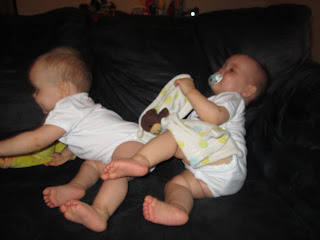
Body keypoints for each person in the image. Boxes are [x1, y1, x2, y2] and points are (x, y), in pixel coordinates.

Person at [102, 54, 269, 226]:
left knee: (175, 135)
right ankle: (178, 208)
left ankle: (139, 160)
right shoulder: (215, 101)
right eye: (223, 66)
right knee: (177, 185)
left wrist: (190, 91)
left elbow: (214, 117)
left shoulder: (232, 98)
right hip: (219, 178)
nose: (221, 71)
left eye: (231, 70)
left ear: (248, 90)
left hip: (222, 154)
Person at [0, 47, 145, 232]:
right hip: (120, 148)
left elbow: (37, 140)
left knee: (117, 172)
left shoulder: (67, 107)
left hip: (132, 144)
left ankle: (101, 211)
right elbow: (84, 136)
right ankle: (75, 187)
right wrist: (66, 154)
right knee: (91, 165)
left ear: (62, 89)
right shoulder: (79, 106)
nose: (33, 95)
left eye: (37, 89)